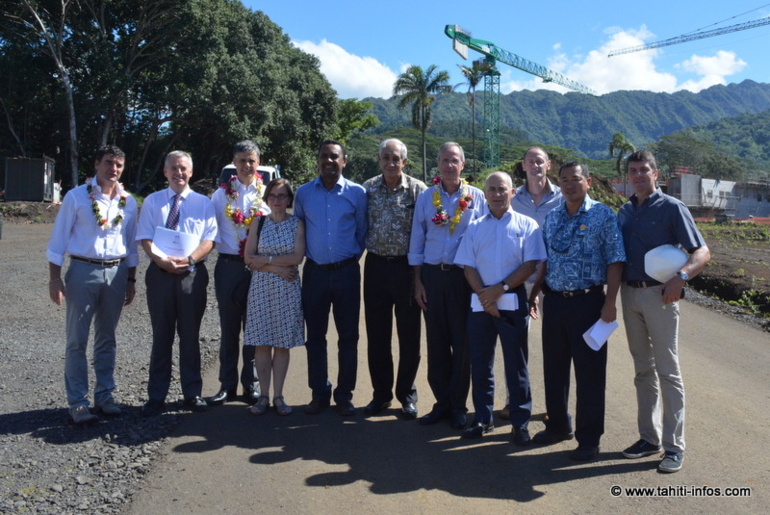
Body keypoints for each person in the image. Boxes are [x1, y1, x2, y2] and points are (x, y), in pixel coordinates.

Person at [618, 150, 710, 473]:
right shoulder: (625, 212)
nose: (639, 175)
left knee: (667, 370)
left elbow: (702, 251)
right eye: (633, 170)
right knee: (643, 369)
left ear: (656, 174)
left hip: (661, 296)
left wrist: (680, 277)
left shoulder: (673, 208)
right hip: (630, 295)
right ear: (628, 175)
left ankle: (674, 447)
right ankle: (648, 437)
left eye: (645, 169)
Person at [530, 162, 625, 461]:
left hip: (588, 303)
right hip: (555, 302)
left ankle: (589, 439)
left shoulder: (603, 215)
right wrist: (535, 293)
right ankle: (558, 425)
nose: (569, 185)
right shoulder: (554, 215)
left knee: (590, 375)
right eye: (564, 180)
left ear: (589, 181)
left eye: (575, 179)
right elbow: (545, 260)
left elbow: (615, 260)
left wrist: (610, 303)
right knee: (554, 369)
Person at [47, 145, 138, 425]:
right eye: (108, 162)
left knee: (107, 338)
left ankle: (105, 396)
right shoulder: (76, 197)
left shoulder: (128, 201)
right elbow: (58, 240)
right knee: (77, 340)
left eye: (119, 165)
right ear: (96, 164)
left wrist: (131, 280)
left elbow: (132, 244)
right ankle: (77, 402)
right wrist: (54, 278)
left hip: (117, 272)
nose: (114, 169)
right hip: (83, 271)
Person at [454, 172, 546, 444]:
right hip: (480, 302)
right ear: (485, 193)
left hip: (512, 298)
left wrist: (500, 290)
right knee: (481, 364)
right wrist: (486, 297)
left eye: (501, 189)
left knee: (516, 365)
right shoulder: (474, 226)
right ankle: (483, 419)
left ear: (512, 192)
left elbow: (530, 265)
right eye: (491, 189)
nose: (496, 194)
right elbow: (467, 266)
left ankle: (520, 422)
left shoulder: (527, 225)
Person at [408, 142, 486, 430]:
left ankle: (458, 406)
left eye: (454, 160)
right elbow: (417, 239)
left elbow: (485, 239)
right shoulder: (427, 198)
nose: (449, 165)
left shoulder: (477, 197)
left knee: (462, 343)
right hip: (432, 277)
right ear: (437, 165)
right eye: (444, 160)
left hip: (464, 278)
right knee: (437, 343)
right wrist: (417, 282)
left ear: (462, 165)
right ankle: (441, 403)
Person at [137, 151, 218, 416]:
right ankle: (156, 396)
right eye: (173, 168)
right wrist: (161, 262)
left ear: (191, 172)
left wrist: (190, 259)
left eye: (183, 168)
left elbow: (209, 239)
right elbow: (145, 238)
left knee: (190, 335)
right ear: (165, 172)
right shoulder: (153, 201)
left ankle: (192, 393)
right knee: (161, 335)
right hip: (160, 274)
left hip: (191, 275)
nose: (178, 173)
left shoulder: (203, 203)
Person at [293, 140, 367, 416]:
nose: (328, 161)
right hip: (314, 273)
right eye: (323, 156)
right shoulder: (303, 194)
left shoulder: (357, 193)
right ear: (318, 160)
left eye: (334, 156)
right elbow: (299, 229)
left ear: (344, 161)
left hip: (347, 273)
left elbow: (362, 231)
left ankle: (345, 395)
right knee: (315, 337)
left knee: (348, 336)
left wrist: (349, 259)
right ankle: (319, 393)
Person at [362, 139, 427, 420]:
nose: (391, 163)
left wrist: (418, 278)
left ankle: (406, 395)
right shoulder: (367, 189)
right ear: (379, 160)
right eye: (386, 157)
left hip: (406, 269)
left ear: (404, 161)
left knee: (409, 336)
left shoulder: (418, 191)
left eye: (396, 158)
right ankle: (381, 394)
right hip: (375, 266)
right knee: (377, 336)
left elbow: (424, 234)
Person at [501, 146, 563, 419]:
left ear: (548, 165)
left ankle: (554, 406)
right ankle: (513, 400)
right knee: (515, 343)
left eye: (540, 161)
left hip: (554, 281)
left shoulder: (562, 197)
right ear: (523, 166)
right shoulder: (513, 197)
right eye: (530, 162)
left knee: (556, 347)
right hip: (520, 279)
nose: (535, 166)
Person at [208, 140, 269, 406]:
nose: (247, 165)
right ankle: (227, 385)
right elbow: (208, 230)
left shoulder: (267, 194)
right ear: (234, 161)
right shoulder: (220, 195)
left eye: (251, 160)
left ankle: (251, 385)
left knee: (253, 329)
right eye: (242, 160)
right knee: (229, 328)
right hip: (228, 266)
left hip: (257, 269)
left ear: (258, 162)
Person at [243, 178, 305, 415]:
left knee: (281, 344)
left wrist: (266, 260)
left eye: (282, 196)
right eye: (272, 196)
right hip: (261, 289)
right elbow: (249, 257)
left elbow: (297, 257)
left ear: (289, 199)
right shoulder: (258, 223)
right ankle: (263, 397)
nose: (277, 200)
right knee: (261, 344)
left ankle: (278, 396)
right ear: (266, 199)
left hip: (287, 290)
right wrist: (276, 267)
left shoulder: (297, 224)